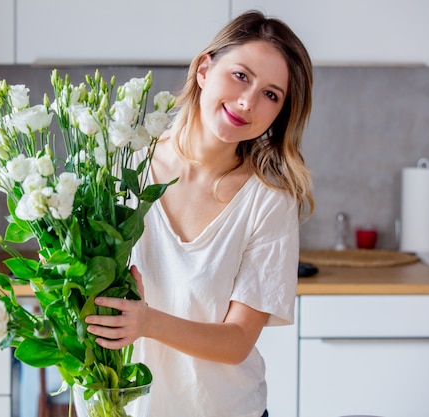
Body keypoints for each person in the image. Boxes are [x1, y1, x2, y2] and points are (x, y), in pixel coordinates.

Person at [85, 10, 314, 417]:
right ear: (205, 68)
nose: (247, 101)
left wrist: (148, 322)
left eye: (271, 94)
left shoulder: (269, 201)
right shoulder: (120, 167)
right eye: (241, 75)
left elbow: (238, 340)